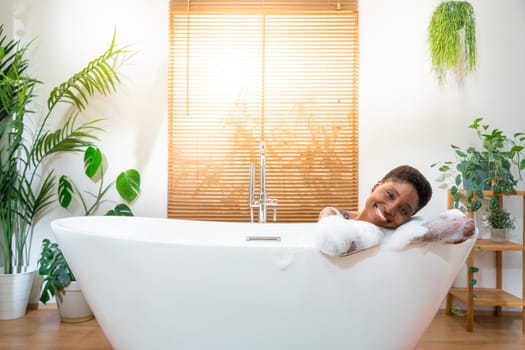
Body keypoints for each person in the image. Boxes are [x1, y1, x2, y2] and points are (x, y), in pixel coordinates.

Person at [319, 165, 475, 244]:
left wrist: (415, 234)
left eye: (403, 210)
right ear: (376, 186)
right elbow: (330, 218)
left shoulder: (403, 233)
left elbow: (465, 227)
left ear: (408, 218)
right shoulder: (340, 221)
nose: (390, 209)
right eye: (390, 194)